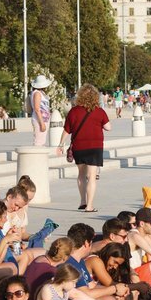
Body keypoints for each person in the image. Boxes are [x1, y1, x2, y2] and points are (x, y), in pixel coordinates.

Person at [57, 84, 111, 213]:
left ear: (80, 96)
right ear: (95, 97)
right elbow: (108, 127)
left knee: (81, 174)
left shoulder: (73, 111)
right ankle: (89, 206)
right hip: (95, 147)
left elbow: (66, 130)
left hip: (79, 147)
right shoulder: (99, 111)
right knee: (92, 176)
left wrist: (60, 144)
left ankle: (82, 201)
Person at [30, 75, 52, 147]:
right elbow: (37, 109)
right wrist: (41, 123)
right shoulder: (37, 93)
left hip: (43, 119)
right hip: (39, 120)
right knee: (38, 141)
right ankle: (37, 154)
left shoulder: (40, 93)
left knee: (42, 140)